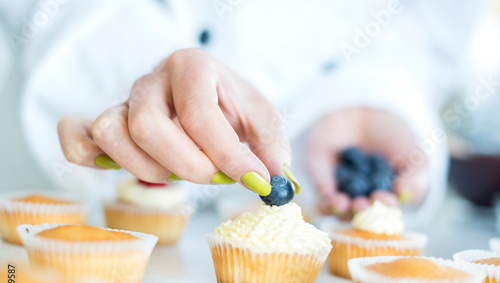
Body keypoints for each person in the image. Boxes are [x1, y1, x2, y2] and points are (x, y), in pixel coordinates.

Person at [7, 0, 485, 226]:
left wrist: (371, 100)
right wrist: (152, 81)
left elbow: (425, 34)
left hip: (313, 198)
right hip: (69, 190)